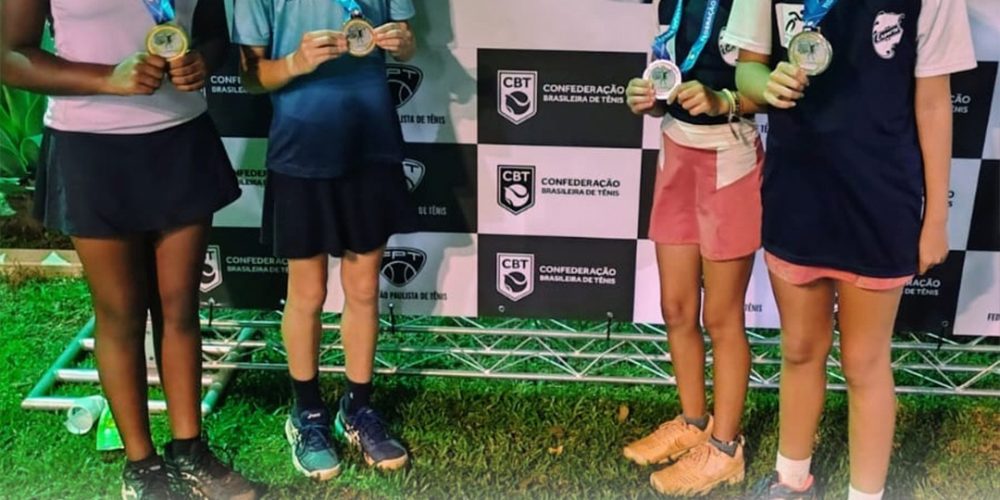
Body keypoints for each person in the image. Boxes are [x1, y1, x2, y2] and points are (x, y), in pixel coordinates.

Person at [0, 1, 259, 499]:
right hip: (90, 147)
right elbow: (11, 57)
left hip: (180, 140)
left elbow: (213, 34)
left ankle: (190, 452)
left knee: (179, 306)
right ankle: (142, 467)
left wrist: (202, 62)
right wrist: (108, 79)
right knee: (120, 313)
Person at [723, 0, 976, 498]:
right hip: (797, 192)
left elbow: (933, 101)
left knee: (865, 362)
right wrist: (765, 84)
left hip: (880, 197)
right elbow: (747, 69)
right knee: (799, 348)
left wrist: (936, 220)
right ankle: (790, 481)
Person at [232, 0, 419, 480]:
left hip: (371, 143)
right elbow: (251, 75)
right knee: (308, 291)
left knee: (363, 287)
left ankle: (358, 407)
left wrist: (402, 42)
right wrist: (296, 61)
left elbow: (406, 41)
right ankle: (307, 413)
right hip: (301, 147)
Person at [622, 0, 765, 495]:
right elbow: (669, 77)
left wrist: (724, 99)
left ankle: (725, 449)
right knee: (677, 307)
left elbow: (774, 92)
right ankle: (693, 422)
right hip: (675, 151)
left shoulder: (753, 4)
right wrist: (648, 97)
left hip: (731, 155)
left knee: (722, 318)